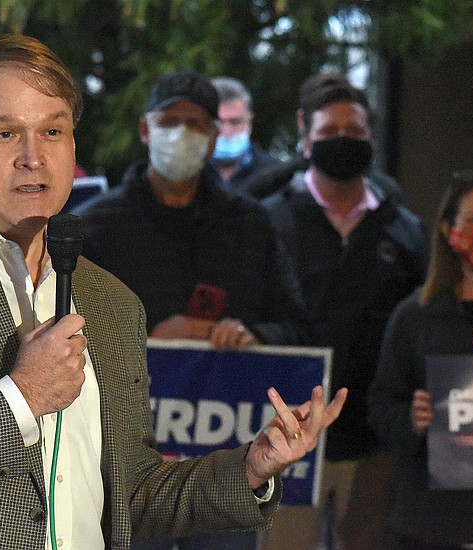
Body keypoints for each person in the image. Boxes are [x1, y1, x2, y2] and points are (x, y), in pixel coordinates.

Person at [0, 34, 347, 549]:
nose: (33, 156)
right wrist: (20, 397)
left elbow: (130, 497)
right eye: (4, 133)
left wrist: (251, 468)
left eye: (52, 132)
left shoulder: (110, 301)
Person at [74, 71, 306, 550]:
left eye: (196, 123)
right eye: (170, 120)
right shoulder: (97, 226)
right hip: (124, 461)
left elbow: (296, 324)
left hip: (225, 457)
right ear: (145, 130)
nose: (182, 133)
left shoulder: (249, 224)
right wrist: (147, 333)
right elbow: (63, 327)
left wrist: (251, 333)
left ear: (214, 137)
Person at [260, 73, 429, 550]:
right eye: (330, 133)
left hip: (373, 444)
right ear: (304, 132)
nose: (343, 142)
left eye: (354, 133)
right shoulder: (268, 220)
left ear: (372, 137)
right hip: (287, 436)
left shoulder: (405, 230)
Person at [368, 169, 473, 549]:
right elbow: (381, 408)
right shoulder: (415, 316)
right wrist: (410, 419)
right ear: (447, 231)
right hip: (433, 523)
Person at [247, 72, 406, 204]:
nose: (341, 139)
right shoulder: (270, 195)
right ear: (304, 121)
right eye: (329, 129)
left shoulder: (385, 196)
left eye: (353, 129)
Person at [208, 76, 283, 198]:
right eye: (218, 123)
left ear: (249, 121)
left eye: (235, 122)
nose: (226, 131)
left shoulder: (275, 175)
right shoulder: (185, 172)